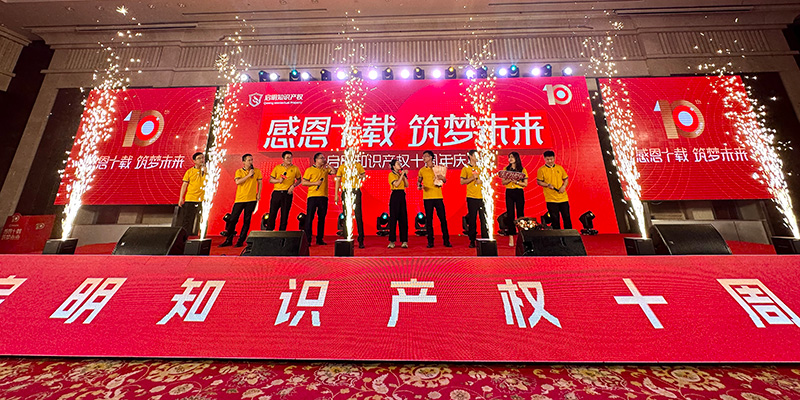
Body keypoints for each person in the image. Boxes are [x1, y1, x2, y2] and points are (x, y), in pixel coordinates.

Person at [220, 154, 262, 247]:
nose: (251, 162)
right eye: (248, 160)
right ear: (243, 162)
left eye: (252, 160)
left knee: (247, 220)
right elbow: (238, 182)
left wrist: (258, 193)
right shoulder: (239, 171)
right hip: (240, 199)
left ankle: (241, 240)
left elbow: (260, 182)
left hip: (251, 199)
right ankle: (229, 239)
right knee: (233, 219)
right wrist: (248, 175)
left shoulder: (257, 171)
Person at [418, 150, 451, 248]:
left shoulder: (438, 168)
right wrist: (420, 186)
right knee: (429, 220)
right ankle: (430, 241)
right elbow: (419, 181)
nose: (424, 158)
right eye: (423, 156)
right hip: (427, 197)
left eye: (426, 156)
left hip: (438, 197)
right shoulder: (422, 170)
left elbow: (444, 180)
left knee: (443, 219)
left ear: (431, 157)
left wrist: (442, 178)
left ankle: (446, 240)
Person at [302, 152, 335, 245]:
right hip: (312, 196)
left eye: (324, 158)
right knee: (310, 218)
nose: (323, 159)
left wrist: (328, 165)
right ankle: (308, 239)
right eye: (321, 158)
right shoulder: (309, 170)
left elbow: (334, 172)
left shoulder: (325, 170)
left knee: (322, 218)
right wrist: (315, 183)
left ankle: (319, 239)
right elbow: (304, 182)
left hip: (323, 197)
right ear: (316, 160)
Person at [265, 151, 301, 231]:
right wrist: (278, 180)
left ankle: (282, 232)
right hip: (277, 193)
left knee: (285, 214)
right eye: (287, 158)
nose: (289, 159)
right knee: (272, 213)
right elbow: (271, 180)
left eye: (290, 157)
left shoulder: (295, 168)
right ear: (283, 159)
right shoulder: (277, 168)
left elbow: (299, 180)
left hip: (287, 193)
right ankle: (269, 231)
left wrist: (293, 186)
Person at [334, 160, 367, 248]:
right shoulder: (342, 167)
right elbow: (338, 180)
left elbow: (364, 177)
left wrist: (357, 175)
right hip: (346, 191)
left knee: (358, 216)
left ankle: (361, 240)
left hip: (355, 190)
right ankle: (346, 239)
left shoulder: (358, 165)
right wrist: (336, 194)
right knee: (346, 216)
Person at [460, 150, 488, 248]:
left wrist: (483, 181)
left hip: (483, 197)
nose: (478, 157)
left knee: (484, 219)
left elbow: (488, 179)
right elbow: (462, 182)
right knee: (472, 219)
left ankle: (485, 239)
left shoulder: (482, 167)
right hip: (472, 197)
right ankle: (472, 240)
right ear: (470, 156)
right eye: (476, 155)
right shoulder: (466, 168)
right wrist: (472, 178)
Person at [537, 150, 572, 230]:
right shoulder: (541, 170)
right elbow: (539, 182)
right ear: (544, 159)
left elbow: (566, 179)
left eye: (551, 159)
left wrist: (563, 187)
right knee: (555, 218)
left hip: (563, 198)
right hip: (551, 199)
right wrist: (547, 185)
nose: (550, 161)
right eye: (548, 159)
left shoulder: (559, 168)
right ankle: (557, 234)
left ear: (554, 158)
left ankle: (569, 234)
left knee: (566, 216)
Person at [501, 151, 528, 247]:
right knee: (510, 214)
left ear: (517, 158)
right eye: (509, 157)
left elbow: (525, 184)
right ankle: (511, 236)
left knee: (520, 213)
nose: (510, 159)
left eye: (512, 157)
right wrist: (510, 179)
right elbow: (503, 182)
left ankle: (522, 236)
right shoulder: (506, 169)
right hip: (509, 192)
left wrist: (516, 182)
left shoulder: (522, 169)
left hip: (519, 192)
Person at [176, 152, 205, 235]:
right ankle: (185, 235)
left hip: (202, 199)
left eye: (202, 158)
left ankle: (198, 235)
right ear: (194, 161)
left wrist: (206, 171)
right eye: (199, 158)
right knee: (188, 219)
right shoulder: (189, 171)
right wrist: (181, 198)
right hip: (190, 198)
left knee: (201, 219)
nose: (201, 160)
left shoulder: (207, 170)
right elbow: (184, 185)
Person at [387, 159, 409, 249]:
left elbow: (406, 185)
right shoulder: (391, 174)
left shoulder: (400, 174)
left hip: (402, 195)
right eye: (397, 164)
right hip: (395, 195)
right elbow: (396, 184)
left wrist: (403, 176)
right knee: (393, 219)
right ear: (393, 166)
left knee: (403, 218)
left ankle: (404, 241)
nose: (400, 165)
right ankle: (392, 241)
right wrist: (402, 175)